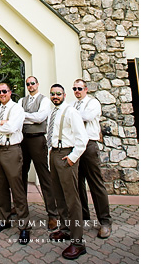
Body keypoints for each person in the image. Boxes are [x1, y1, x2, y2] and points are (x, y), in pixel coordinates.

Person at [0, 82, 30, 245]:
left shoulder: (17, 108)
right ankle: (4, 219)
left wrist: (1, 125)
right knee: (1, 187)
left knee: (16, 188)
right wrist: (1, 124)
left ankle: (24, 226)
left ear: (10, 92)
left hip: (12, 150)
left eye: (4, 91)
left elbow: (13, 127)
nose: (1, 94)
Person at [47, 84, 88, 260]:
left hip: (66, 155)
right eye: (52, 94)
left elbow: (82, 138)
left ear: (64, 95)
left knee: (72, 200)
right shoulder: (52, 112)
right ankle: (65, 230)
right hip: (54, 154)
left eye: (58, 94)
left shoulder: (71, 111)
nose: (55, 96)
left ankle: (78, 243)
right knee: (59, 196)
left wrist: (73, 157)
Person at [72, 79, 112, 238]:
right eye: (74, 88)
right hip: (75, 146)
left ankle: (105, 221)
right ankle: (83, 215)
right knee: (78, 182)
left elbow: (87, 117)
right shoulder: (73, 104)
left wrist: (72, 115)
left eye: (79, 88)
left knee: (96, 183)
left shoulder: (93, 103)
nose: (77, 91)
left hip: (89, 145)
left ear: (86, 89)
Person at [18, 75, 58, 230]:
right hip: (23, 139)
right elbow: (18, 118)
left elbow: (41, 117)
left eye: (33, 83)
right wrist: (30, 118)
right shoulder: (22, 101)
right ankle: (21, 208)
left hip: (38, 139)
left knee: (44, 175)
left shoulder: (45, 100)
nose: (30, 86)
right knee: (21, 175)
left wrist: (25, 116)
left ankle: (52, 213)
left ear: (37, 84)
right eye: (28, 84)